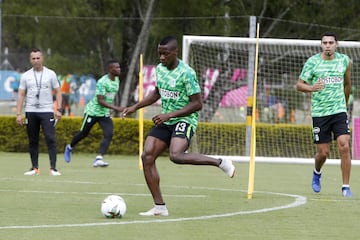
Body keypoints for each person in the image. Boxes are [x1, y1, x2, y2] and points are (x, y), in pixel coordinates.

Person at [122, 36, 236, 216]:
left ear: (175, 52)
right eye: (159, 54)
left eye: (165, 54)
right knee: (147, 156)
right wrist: (135, 106)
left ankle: (220, 162)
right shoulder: (160, 69)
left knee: (175, 155)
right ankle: (160, 207)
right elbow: (157, 94)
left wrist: (170, 114)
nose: (161, 58)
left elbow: (197, 103)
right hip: (166, 120)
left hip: (185, 119)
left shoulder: (187, 73)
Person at [296, 32, 353, 197]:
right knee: (323, 153)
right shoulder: (312, 62)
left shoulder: (345, 61)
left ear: (337, 44)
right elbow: (299, 85)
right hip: (320, 113)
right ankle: (317, 172)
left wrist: (344, 105)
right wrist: (311, 88)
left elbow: (348, 84)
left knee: (344, 145)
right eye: (325, 43)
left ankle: (346, 187)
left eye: (331, 42)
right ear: (321, 45)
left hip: (339, 111)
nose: (328, 45)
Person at [64, 59, 124, 167]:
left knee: (109, 134)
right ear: (110, 69)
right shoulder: (102, 82)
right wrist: (116, 108)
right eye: (116, 67)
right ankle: (69, 147)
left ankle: (99, 158)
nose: (119, 69)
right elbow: (100, 101)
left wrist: (114, 108)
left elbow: (109, 98)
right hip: (92, 111)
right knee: (83, 134)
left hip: (104, 113)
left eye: (119, 67)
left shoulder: (117, 80)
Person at [15, 48, 63, 176]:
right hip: (30, 111)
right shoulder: (26, 76)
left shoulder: (51, 74)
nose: (36, 60)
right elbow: (21, 94)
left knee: (50, 138)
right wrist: (18, 113)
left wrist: (59, 109)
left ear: (42, 58)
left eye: (38, 58)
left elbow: (58, 91)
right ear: (30, 60)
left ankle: (53, 168)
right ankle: (34, 168)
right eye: (33, 58)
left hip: (47, 110)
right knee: (33, 140)